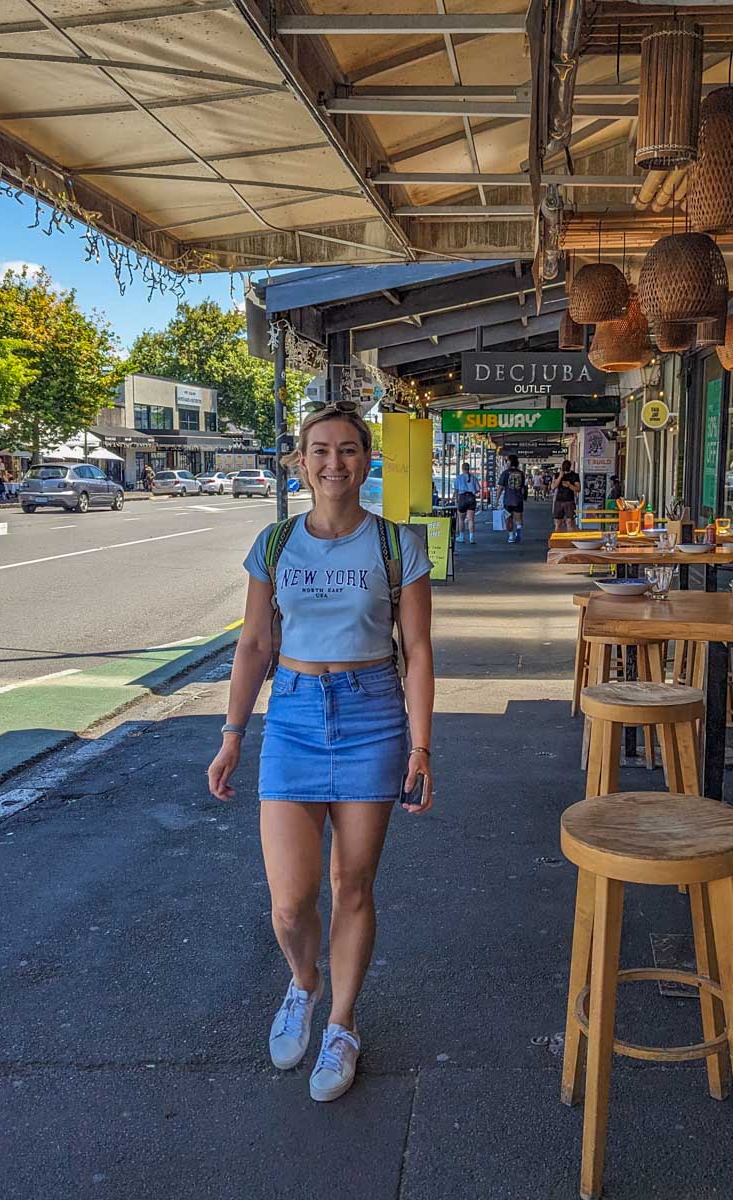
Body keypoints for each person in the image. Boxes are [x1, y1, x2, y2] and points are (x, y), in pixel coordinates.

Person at [207, 399, 434, 1104]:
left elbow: (419, 650)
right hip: (295, 716)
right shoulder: (275, 545)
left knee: (353, 885)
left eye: (347, 450)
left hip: (372, 713)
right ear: (300, 462)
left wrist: (422, 743)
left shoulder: (397, 545)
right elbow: (253, 645)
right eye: (320, 450)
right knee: (288, 902)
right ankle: (303, 984)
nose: (334, 463)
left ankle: (342, 1023)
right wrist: (233, 733)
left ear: (367, 461)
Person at [494, 454, 528, 544]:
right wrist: (523, 497)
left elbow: (500, 488)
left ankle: (511, 536)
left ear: (509, 462)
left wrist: (496, 500)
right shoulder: (521, 473)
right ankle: (518, 532)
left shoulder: (505, 473)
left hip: (508, 500)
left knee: (508, 519)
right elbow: (523, 488)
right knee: (518, 519)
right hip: (518, 500)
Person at [453, 459, 480, 545]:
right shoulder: (473, 478)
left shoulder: (458, 478)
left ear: (462, 468)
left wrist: (456, 500)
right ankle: (472, 538)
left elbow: (456, 491)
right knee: (471, 519)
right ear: (469, 469)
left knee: (461, 519)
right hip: (471, 498)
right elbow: (477, 490)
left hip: (462, 498)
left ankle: (461, 537)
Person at [552, 458, 581, 532]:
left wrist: (569, 485)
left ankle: (570, 540)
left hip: (569, 501)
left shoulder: (574, 475)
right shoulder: (557, 475)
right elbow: (553, 487)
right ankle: (557, 540)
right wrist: (560, 477)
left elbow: (578, 489)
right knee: (558, 523)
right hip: (559, 500)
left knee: (570, 522)